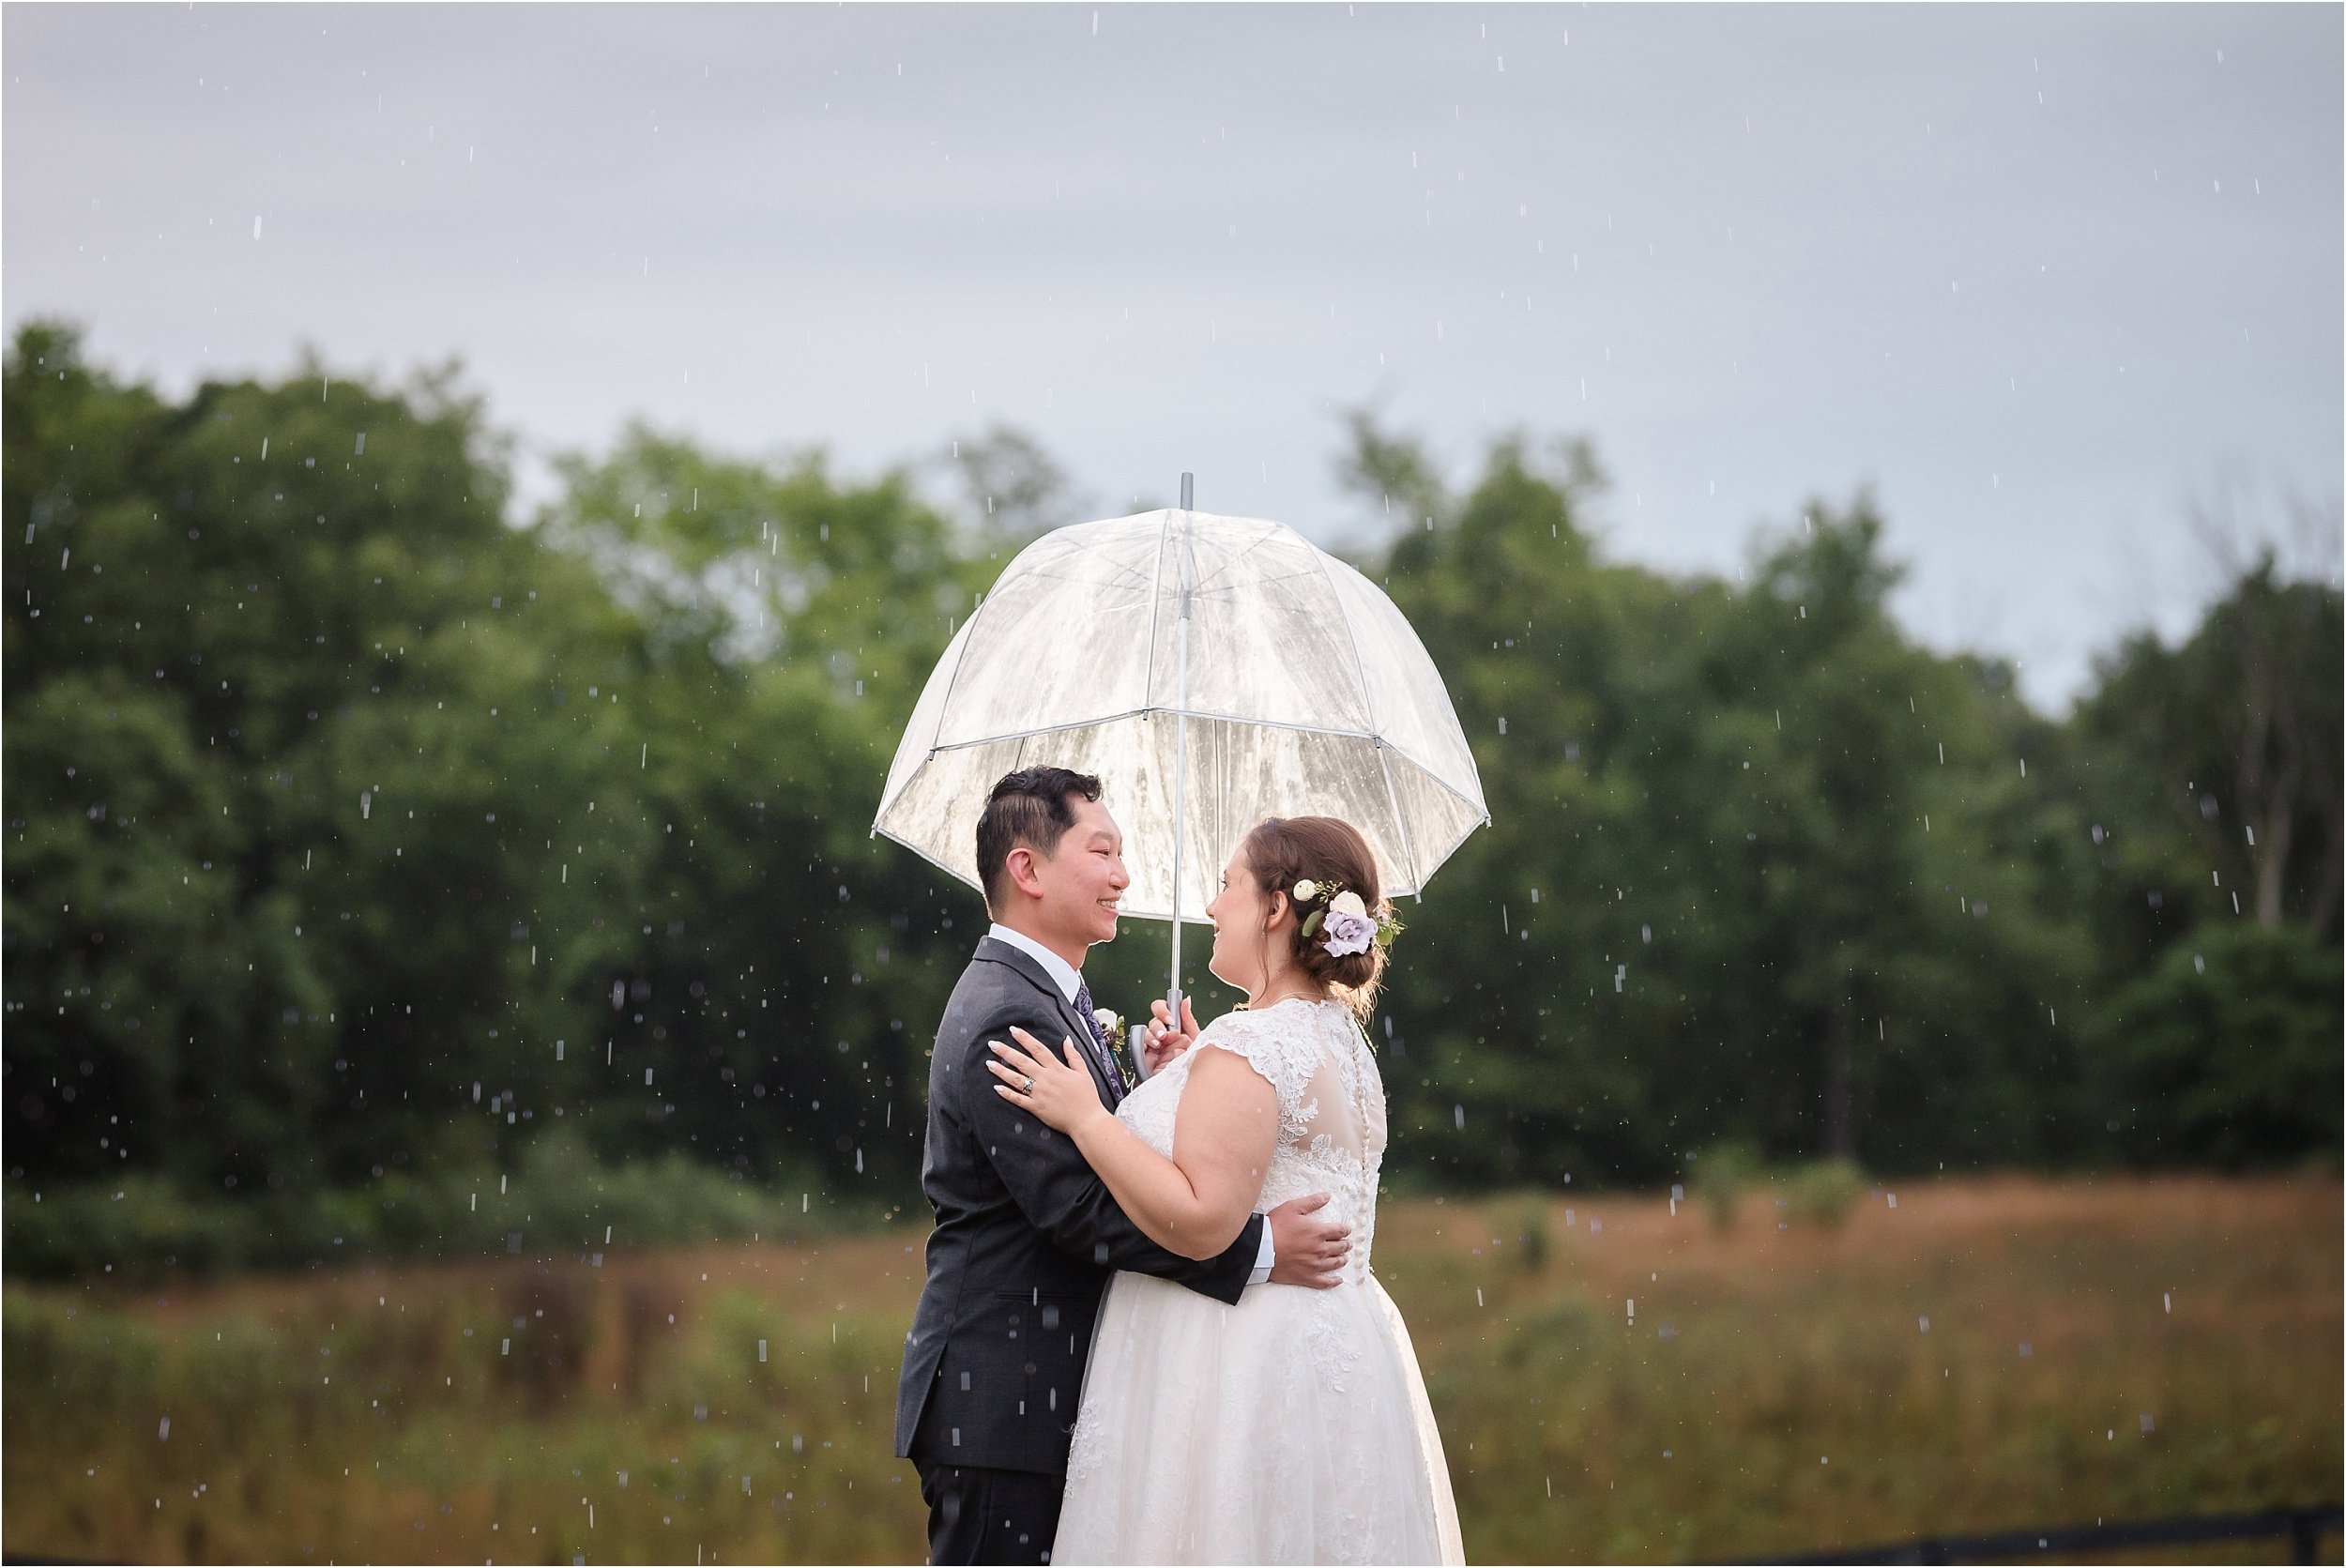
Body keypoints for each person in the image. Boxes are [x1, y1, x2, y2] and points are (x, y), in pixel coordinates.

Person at [896, 767, 1355, 1565]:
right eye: (1102, 851)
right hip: (1006, 1402)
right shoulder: (1008, 1012)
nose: (1124, 876)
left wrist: (1159, 1086)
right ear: (1028, 869)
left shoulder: (1053, 998)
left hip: (1042, 1395)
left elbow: (1100, 1152)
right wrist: (1259, 1249)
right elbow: (1077, 1208)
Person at [988, 814, 1464, 1564]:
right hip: (1342, 1358)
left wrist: (1088, 1117)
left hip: (1239, 1362)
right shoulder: (1340, 1037)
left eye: (1226, 885)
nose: (1211, 907)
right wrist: (1181, 1075)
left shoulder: (1248, 1046)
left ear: (1275, 908)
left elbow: (1205, 1220)